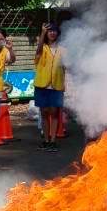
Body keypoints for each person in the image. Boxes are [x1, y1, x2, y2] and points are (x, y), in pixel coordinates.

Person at [33, 22, 66, 151]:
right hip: (42, 84)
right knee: (44, 112)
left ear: (57, 33)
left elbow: (66, 68)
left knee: (55, 113)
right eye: (49, 31)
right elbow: (38, 51)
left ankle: (53, 140)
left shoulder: (63, 50)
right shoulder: (43, 47)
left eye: (54, 31)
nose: (52, 33)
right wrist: (42, 33)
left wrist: (68, 85)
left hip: (57, 85)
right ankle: (46, 140)